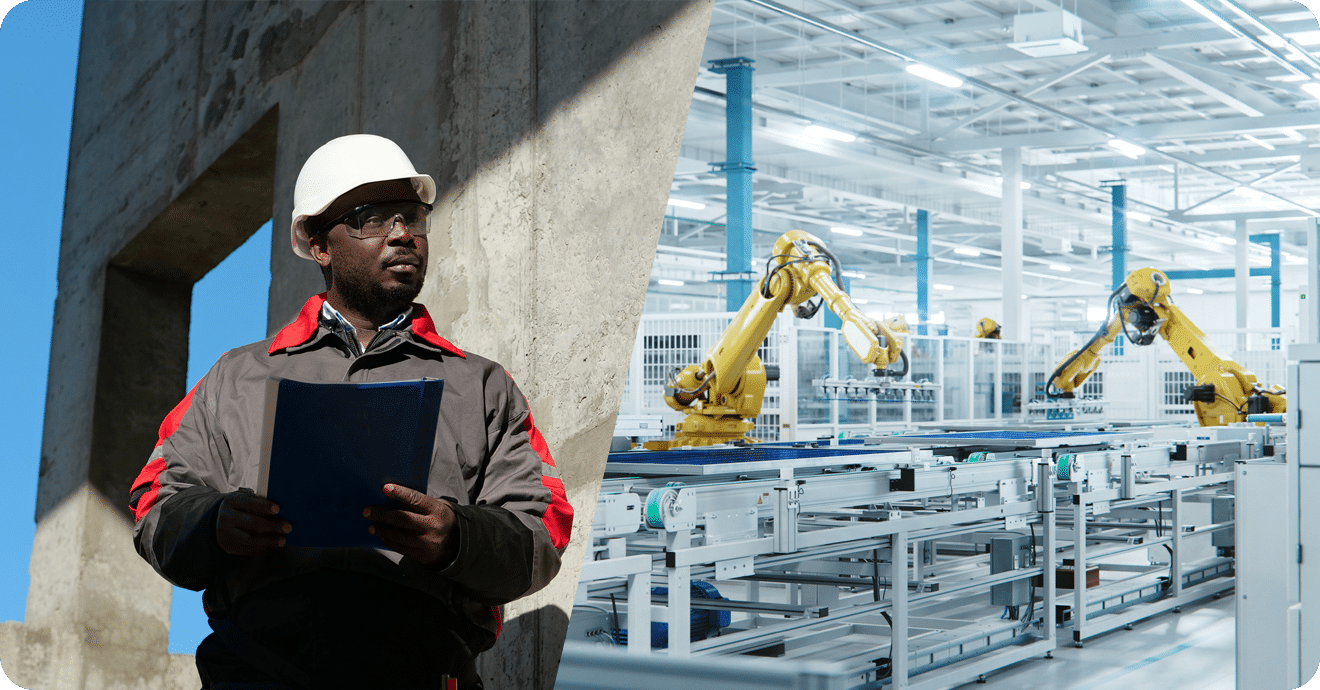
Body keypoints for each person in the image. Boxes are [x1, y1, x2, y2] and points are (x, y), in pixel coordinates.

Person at [129, 134, 573, 689]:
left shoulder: (482, 386)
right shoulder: (236, 378)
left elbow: (543, 529)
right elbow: (154, 505)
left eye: (411, 216)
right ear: (320, 245)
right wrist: (215, 524)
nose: (402, 234)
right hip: (258, 674)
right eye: (373, 218)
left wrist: (456, 537)